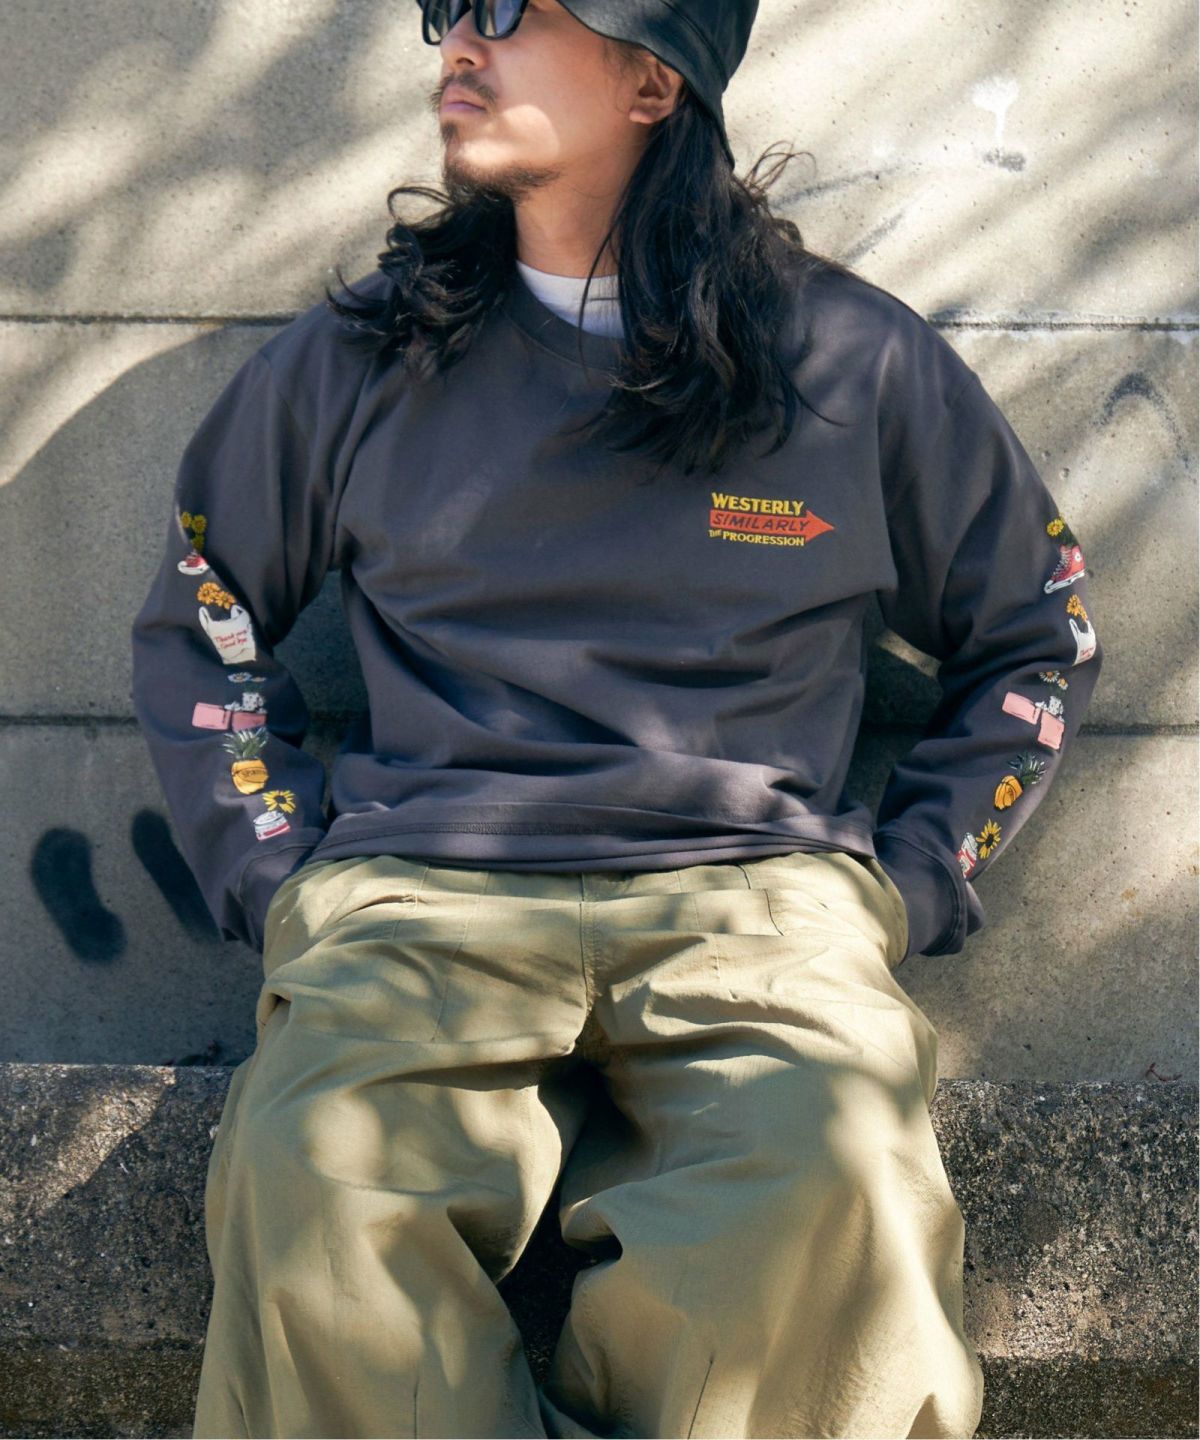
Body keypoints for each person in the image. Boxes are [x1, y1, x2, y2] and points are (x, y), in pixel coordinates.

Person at [130, 0, 1102, 1434]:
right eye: (445, 9)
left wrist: (909, 881)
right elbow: (201, 620)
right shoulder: (361, 357)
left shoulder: (852, 360)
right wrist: (278, 877)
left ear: (654, 79)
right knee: (316, 1182)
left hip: (755, 902)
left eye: (510, 10)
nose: (457, 45)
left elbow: (1039, 630)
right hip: (423, 894)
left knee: (838, 1199)